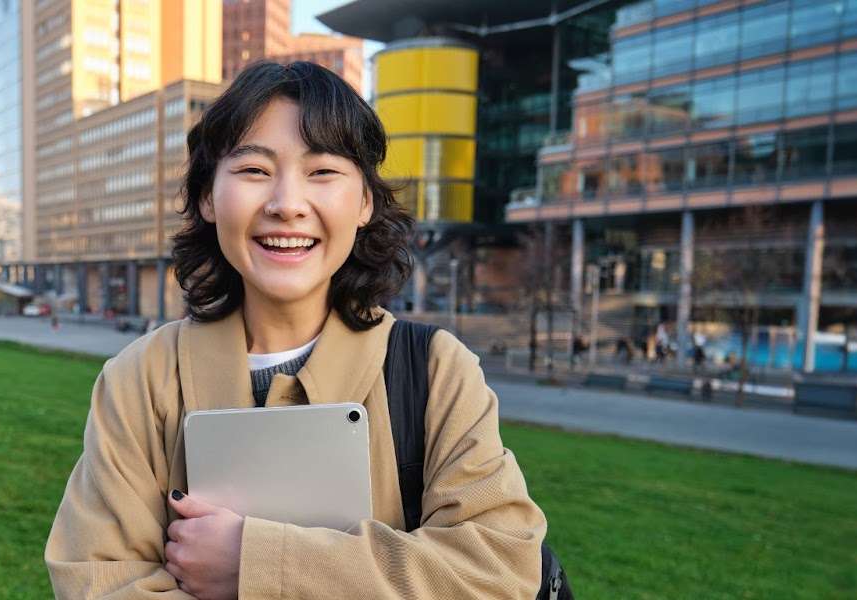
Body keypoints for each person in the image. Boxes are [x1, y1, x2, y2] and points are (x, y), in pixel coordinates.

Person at [45, 61, 546, 599]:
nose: (286, 205)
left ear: (364, 203)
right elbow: (97, 581)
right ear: (209, 197)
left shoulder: (435, 369)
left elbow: (498, 569)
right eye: (254, 171)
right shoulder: (139, 380)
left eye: (323, 171)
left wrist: (257, 563)